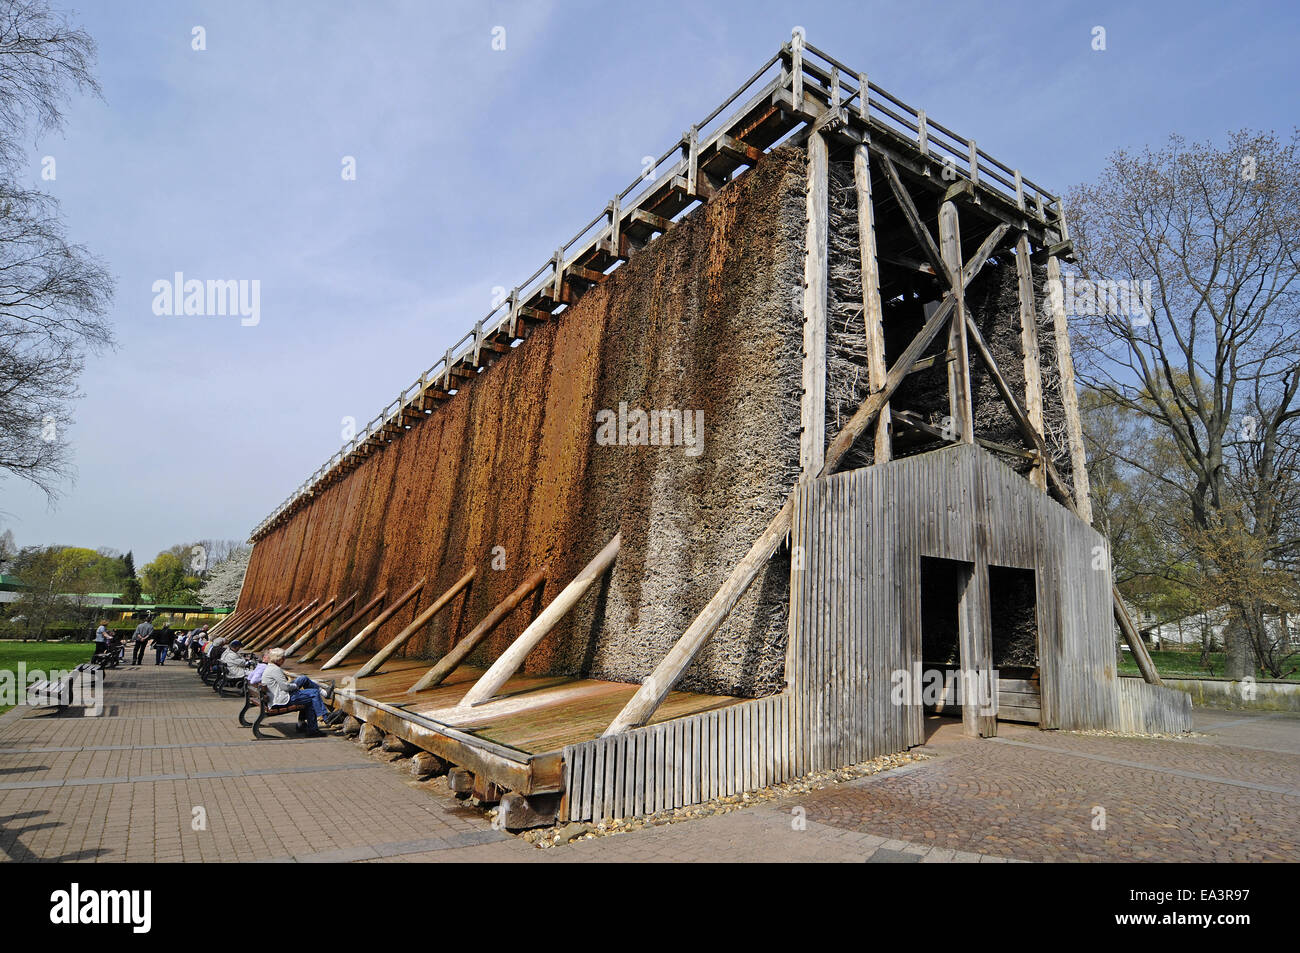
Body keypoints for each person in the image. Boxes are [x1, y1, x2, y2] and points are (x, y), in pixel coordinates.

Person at [261, 648, 333, 736]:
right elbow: (285, 687)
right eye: (283, 658)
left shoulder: (270, 667)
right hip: (282, 699)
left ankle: (311, 728)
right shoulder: (275, 670)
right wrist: (295, 686)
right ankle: (325, 717)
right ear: (279, 659)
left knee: (303, 679)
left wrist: (294, 686)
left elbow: (283, 685)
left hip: (276, 696)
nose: (284, 660)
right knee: (313, 694)